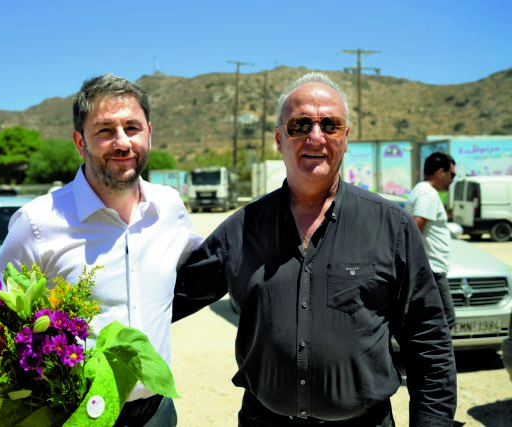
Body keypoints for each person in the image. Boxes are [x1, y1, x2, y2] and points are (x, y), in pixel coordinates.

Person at [173, 73, 462, 426]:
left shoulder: (392, 227)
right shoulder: (239, 230)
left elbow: (428, 338)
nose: (315, 136)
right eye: (300, 125)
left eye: (330, 125)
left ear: (345, 137)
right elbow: (166, 298)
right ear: (279, 139)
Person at [0, 74, 202, 427]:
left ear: (149, 133)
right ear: (80, 142)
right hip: (74, 416)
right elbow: (3, 325)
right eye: (105, 130)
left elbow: (196, 273)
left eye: (132, 128)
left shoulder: (169, 208)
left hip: (157, 412)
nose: (122, 142)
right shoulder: (37, 224)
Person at [407, 152, 457, 329]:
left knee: (430, 321)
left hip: (429, 268)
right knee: (446, 319)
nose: (452, 180)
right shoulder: (427, 193)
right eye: (452, 175)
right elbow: (415, 227)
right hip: (432, 270)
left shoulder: (423, 190)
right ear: (441, 172)